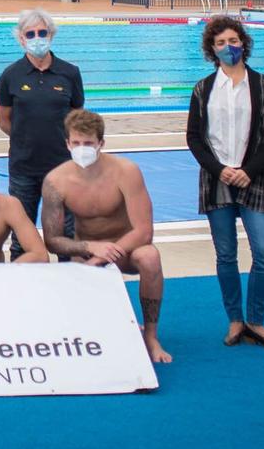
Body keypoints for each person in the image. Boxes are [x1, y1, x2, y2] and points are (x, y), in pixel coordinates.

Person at [40, 110, 172, 365]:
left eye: (88, 143)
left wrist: (104, 255)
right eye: (76, 143)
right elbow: (52, 240)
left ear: (101, 143)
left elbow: (144, 231)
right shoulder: (55, 181)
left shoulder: (125, 171)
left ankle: (151, 336)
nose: (82, 149)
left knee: (150, 256)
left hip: (127, 250)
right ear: (67, 143)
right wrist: (90, 248)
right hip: (87, 252)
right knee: (96, 331)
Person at [186, 15, 264, 349]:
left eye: (232, 41)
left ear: (243, 42)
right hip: (218, 180)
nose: (228, 47)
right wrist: (219, 169)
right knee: (226, 255)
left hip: (256, 178)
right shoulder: (203, 89)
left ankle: (256, 320)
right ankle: (234, 320)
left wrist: (249, 169)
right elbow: (194, 139)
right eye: (220, 43)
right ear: (211, 50)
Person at [0, 9, 84, 255]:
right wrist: (27, 137)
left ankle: (68, 287)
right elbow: (4, 120)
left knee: (66, 234)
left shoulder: (70, 73)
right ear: (21, 39)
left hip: (62, 168)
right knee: (21, 238)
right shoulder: (10, 76)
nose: (37, 37)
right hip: (24, 168)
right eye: (30, 33)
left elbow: (77, 117)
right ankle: (22, 289)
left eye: (42, 32)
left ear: (51, 35)